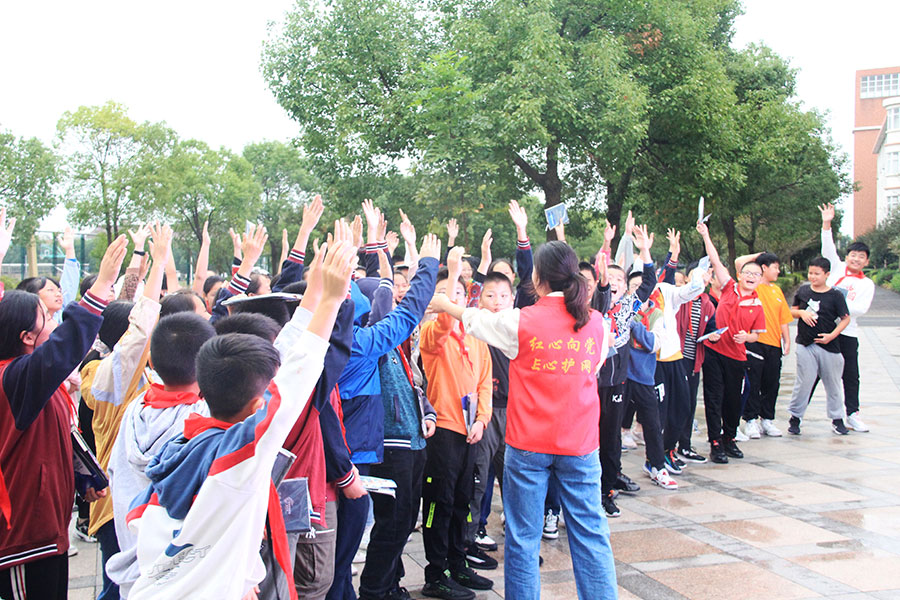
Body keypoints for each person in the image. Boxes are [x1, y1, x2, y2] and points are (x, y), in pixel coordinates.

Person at [124, 239, 354, 600]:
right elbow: (296, 378)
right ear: (257, 407)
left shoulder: (187, 440)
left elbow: (287, 357)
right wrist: (332, 301)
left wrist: (240, 572)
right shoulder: (238, 456)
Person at [431, 240, 615, 600]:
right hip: (579, 443)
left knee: (523, 538)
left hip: (529, 444)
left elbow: (478, 321)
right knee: (591, 535)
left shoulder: (522, 321)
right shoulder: (596, 323)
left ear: (537, 279)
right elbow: (594, 367)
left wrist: (445, 305)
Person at [0, 233, 128, 600]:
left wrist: (81, 475)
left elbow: (55, 436)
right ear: (26, 336)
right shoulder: (13, 377)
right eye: (46, 318)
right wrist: (102, 285)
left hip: (48, 527)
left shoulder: (32, 378)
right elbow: (65, 345)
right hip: (23, 536)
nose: (54, 323)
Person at [80, 223, 171, 600]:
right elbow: (137, 332)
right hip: (117, 502)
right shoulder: (105, 376)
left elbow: (131, 325)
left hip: (136, 499)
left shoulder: (135, 372)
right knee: (120, 589)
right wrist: (159, 263)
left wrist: (142, 264)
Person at [105, 312, 216, 598]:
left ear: (151, 362)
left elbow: (115, 473)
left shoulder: (134, 410)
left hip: (133, 565)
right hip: (183, 574)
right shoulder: (204, 419)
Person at [358, 234, 441, 600]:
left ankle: (390, 583)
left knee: (406, 520)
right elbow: (384, 301)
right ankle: (375, 590)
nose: (394, 302)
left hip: (412, 439)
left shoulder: (394, 346)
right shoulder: (369, 343)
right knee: (392, 524)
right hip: (391, 444)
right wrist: (425, 265)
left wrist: (427, 413)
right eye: (388, 298)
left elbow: (413, 386)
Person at [418, 246, 494, 600]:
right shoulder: (431, 333)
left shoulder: (476, 336)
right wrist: (450, 274)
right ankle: (436, 573)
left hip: (470, 431)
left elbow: (485, 382)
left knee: (463, 500)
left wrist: (482, 419)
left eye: (459, 294)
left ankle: (457, 561)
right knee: (440, 501)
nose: (453, 299)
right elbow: (446, 321)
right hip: (444, 429)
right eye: (446, 294)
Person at [594, 222, 656, 517]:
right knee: (588, 438)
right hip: (591, 383)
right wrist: (606, 246)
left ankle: (607, 491)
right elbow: (600, 276)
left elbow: (649, 283)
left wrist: (645, 251)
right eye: (611, 277)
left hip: (617, 383)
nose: (615, 281)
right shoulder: (594, 304)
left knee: (611, 438)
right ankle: (586, 491)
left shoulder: (630, 305)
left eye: (620, 278)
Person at [696, 222, 766, 464]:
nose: (751, 277)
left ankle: (729, 438)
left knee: (733, 401)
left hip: (737, 357)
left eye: (756, 275)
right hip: (714, 352)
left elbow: (757, 334)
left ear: (760, 280)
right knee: (714, 398)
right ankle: (715, 442)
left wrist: (747, 337)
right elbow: (715, 261)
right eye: (748, 273)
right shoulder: (729, 288)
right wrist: (706, 234)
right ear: (740, 275)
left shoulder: (758, 304)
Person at [818, 203, 875, 431]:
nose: (856, 259)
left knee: (850, 375)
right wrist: (826, 223)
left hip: (847, 333)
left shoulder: (866, 284)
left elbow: (860, 308)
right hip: (823, 329)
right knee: (814, 374)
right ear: (847, 256)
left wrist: (835, 304)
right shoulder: (837, 268)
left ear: (866, 262)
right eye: (853, 255)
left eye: (861, 257)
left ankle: (852, 414)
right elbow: (827, 247)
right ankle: (796, 416)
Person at [787, 257, 851, 435]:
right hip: (806, 344)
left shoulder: (835, 295)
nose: (813, 277)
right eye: (810, 273)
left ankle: (837, 419)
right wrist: (801, 313)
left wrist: (832, 336)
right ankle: (795, 417)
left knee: (833, 384)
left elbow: (845, 319)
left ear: (827, 274)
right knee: (804, 382)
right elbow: (791, 311)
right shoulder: (803, 291)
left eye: (817, 274)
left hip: (829, 345)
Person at [736, 252, 792, 438]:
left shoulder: (777, 291)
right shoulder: (755, 285)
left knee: (772, 384)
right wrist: (760, 255)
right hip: (755, 342)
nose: (778, 271)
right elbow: (739, 262)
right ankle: (750, 420)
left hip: (774, 344)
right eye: (775, 267)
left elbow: (783, 318)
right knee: (753, 383)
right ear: (764, 268)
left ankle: (767, 419)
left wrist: (787, 340)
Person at [675, 263, 719, 464]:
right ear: (687, 280)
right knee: (675, 402)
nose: (698, 283)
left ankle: (685, 444)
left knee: (689, 403)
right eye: (695, 278)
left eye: (703, 279)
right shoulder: (679, 299)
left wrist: (714, 336)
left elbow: (711, 328)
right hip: (675, 358)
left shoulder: (707, 304)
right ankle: (668, 447)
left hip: (694, 360)